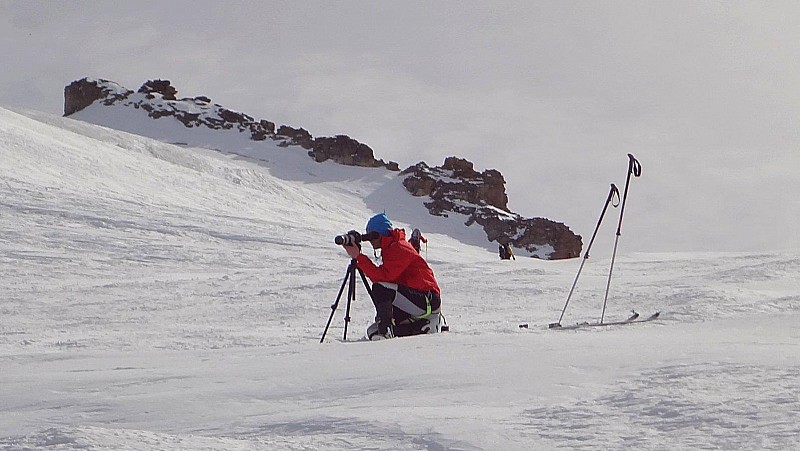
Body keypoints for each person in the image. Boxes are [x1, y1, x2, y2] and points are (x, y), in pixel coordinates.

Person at [342, 213, 442, 340]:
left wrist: (359, 257)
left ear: (379, 235)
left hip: (427, 301)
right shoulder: (390, 247)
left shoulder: (399, 247)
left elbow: (383, 277)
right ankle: (422, 328)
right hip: (416, 301)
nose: (370, 241)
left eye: (371, 237)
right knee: (373, 331)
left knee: (381, 288)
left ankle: (387, 331)